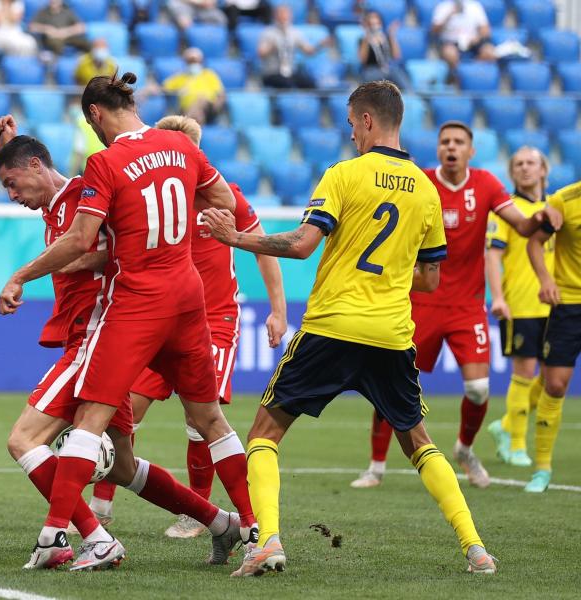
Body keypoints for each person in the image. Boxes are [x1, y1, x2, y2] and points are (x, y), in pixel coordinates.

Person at [203, 80, 499, 575]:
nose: (352, 135)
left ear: (366, 120)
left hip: (333, 325)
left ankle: (269, 543)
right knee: (419, 441)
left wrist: (234, 237)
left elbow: (301, 245)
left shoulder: (345, 174)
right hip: (390, 332)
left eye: (351, 124)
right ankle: (476, 549)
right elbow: (429, 278)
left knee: (264, 433)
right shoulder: (427, 190)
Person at [0, 72, 259, 570]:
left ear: (95, 113)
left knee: (39, 435)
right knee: (134, 459)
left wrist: (20, 276)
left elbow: (79, 238)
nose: (13, 193)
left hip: (123, 317)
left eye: (13, 183)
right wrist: (14, 151)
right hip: (184, 301)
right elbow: (227, 202)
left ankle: (76, 537)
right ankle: (240, 527)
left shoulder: (100, 168)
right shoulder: (177, 147)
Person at [85, 115, 287, 538]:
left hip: (213, 320)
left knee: (201, 420)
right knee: (125, 409)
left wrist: (278, 310)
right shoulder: (141, 193)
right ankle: (101, 504)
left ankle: (199, 512)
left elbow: (263, 248)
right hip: (157, 316)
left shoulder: (226, 197)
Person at [350, 121, 561, 491]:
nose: (451, 147)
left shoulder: (487, 184)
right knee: (391, 384)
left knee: (479, 389)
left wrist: (543, 218)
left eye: (459, 142)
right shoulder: (419, 180)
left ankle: (464, 449)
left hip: (467, 306)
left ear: (470, 151)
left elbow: (525, 227)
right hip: (420, 303)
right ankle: (375, 466)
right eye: (445, 141)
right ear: (438, 148)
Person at [485, 147, 553, 468]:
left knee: (554, 377)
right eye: (519, 164)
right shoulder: (506, 211)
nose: (525, 168)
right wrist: (497, 298)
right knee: (524, 373)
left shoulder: (556, 208)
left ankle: (506, 424)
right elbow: (493, 257)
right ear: (513, 173)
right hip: (521, 304)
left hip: (556, 305)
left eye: (531, 163)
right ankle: (516, 444)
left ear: (543, 170)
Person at [524, 179, 578, 493]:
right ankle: (542, 468)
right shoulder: (563, 200)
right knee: (555, 383)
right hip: (569, 304)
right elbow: (533, 243)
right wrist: (546, 279)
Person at [257, 5, 326, 89]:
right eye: (281, 15)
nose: (283, 17)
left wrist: (320, 45)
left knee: (310, 83)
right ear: (276, 16)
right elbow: (261, 53)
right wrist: (272, 47)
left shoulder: (294, 32)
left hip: (290, 72)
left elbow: (308, 51)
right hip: (272, 72)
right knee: (287, 84)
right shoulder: (268, 32)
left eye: (286, 15)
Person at [161, 48, 226, 125]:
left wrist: (218, 104)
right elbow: (162, 88)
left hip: (209, 109)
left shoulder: (209, 75)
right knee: (197, 107)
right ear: (185, 62)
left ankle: (187, 124)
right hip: (185, 109)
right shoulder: (180, 77)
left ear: (201, 61)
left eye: (195, 61)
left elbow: (221, 94)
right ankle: (195, 126)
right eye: (190, 61)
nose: (193, 64)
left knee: (200, 99)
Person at [431, 0, 495, 71]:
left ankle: (471, 72)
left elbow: (486, 30)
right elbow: (434, 31)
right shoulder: (443, 6)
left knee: (489, 52)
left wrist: (477, 38)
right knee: (450, 54)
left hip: (473, 42)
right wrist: (449, 15)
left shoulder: (475, 6)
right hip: (451, 42)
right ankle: (456, 77)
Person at [358, 10, 410, 92]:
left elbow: (397, 56)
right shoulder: (363, 40)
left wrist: (392, 36)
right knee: (394, 72)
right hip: (371, 71)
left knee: (397, 71)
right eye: (371, 24)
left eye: (377, 23)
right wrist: (367, 36)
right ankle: (411, 93)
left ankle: (410, 95)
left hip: (387, 69)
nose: (375, 26)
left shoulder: (386, 38)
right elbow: (362, 60)